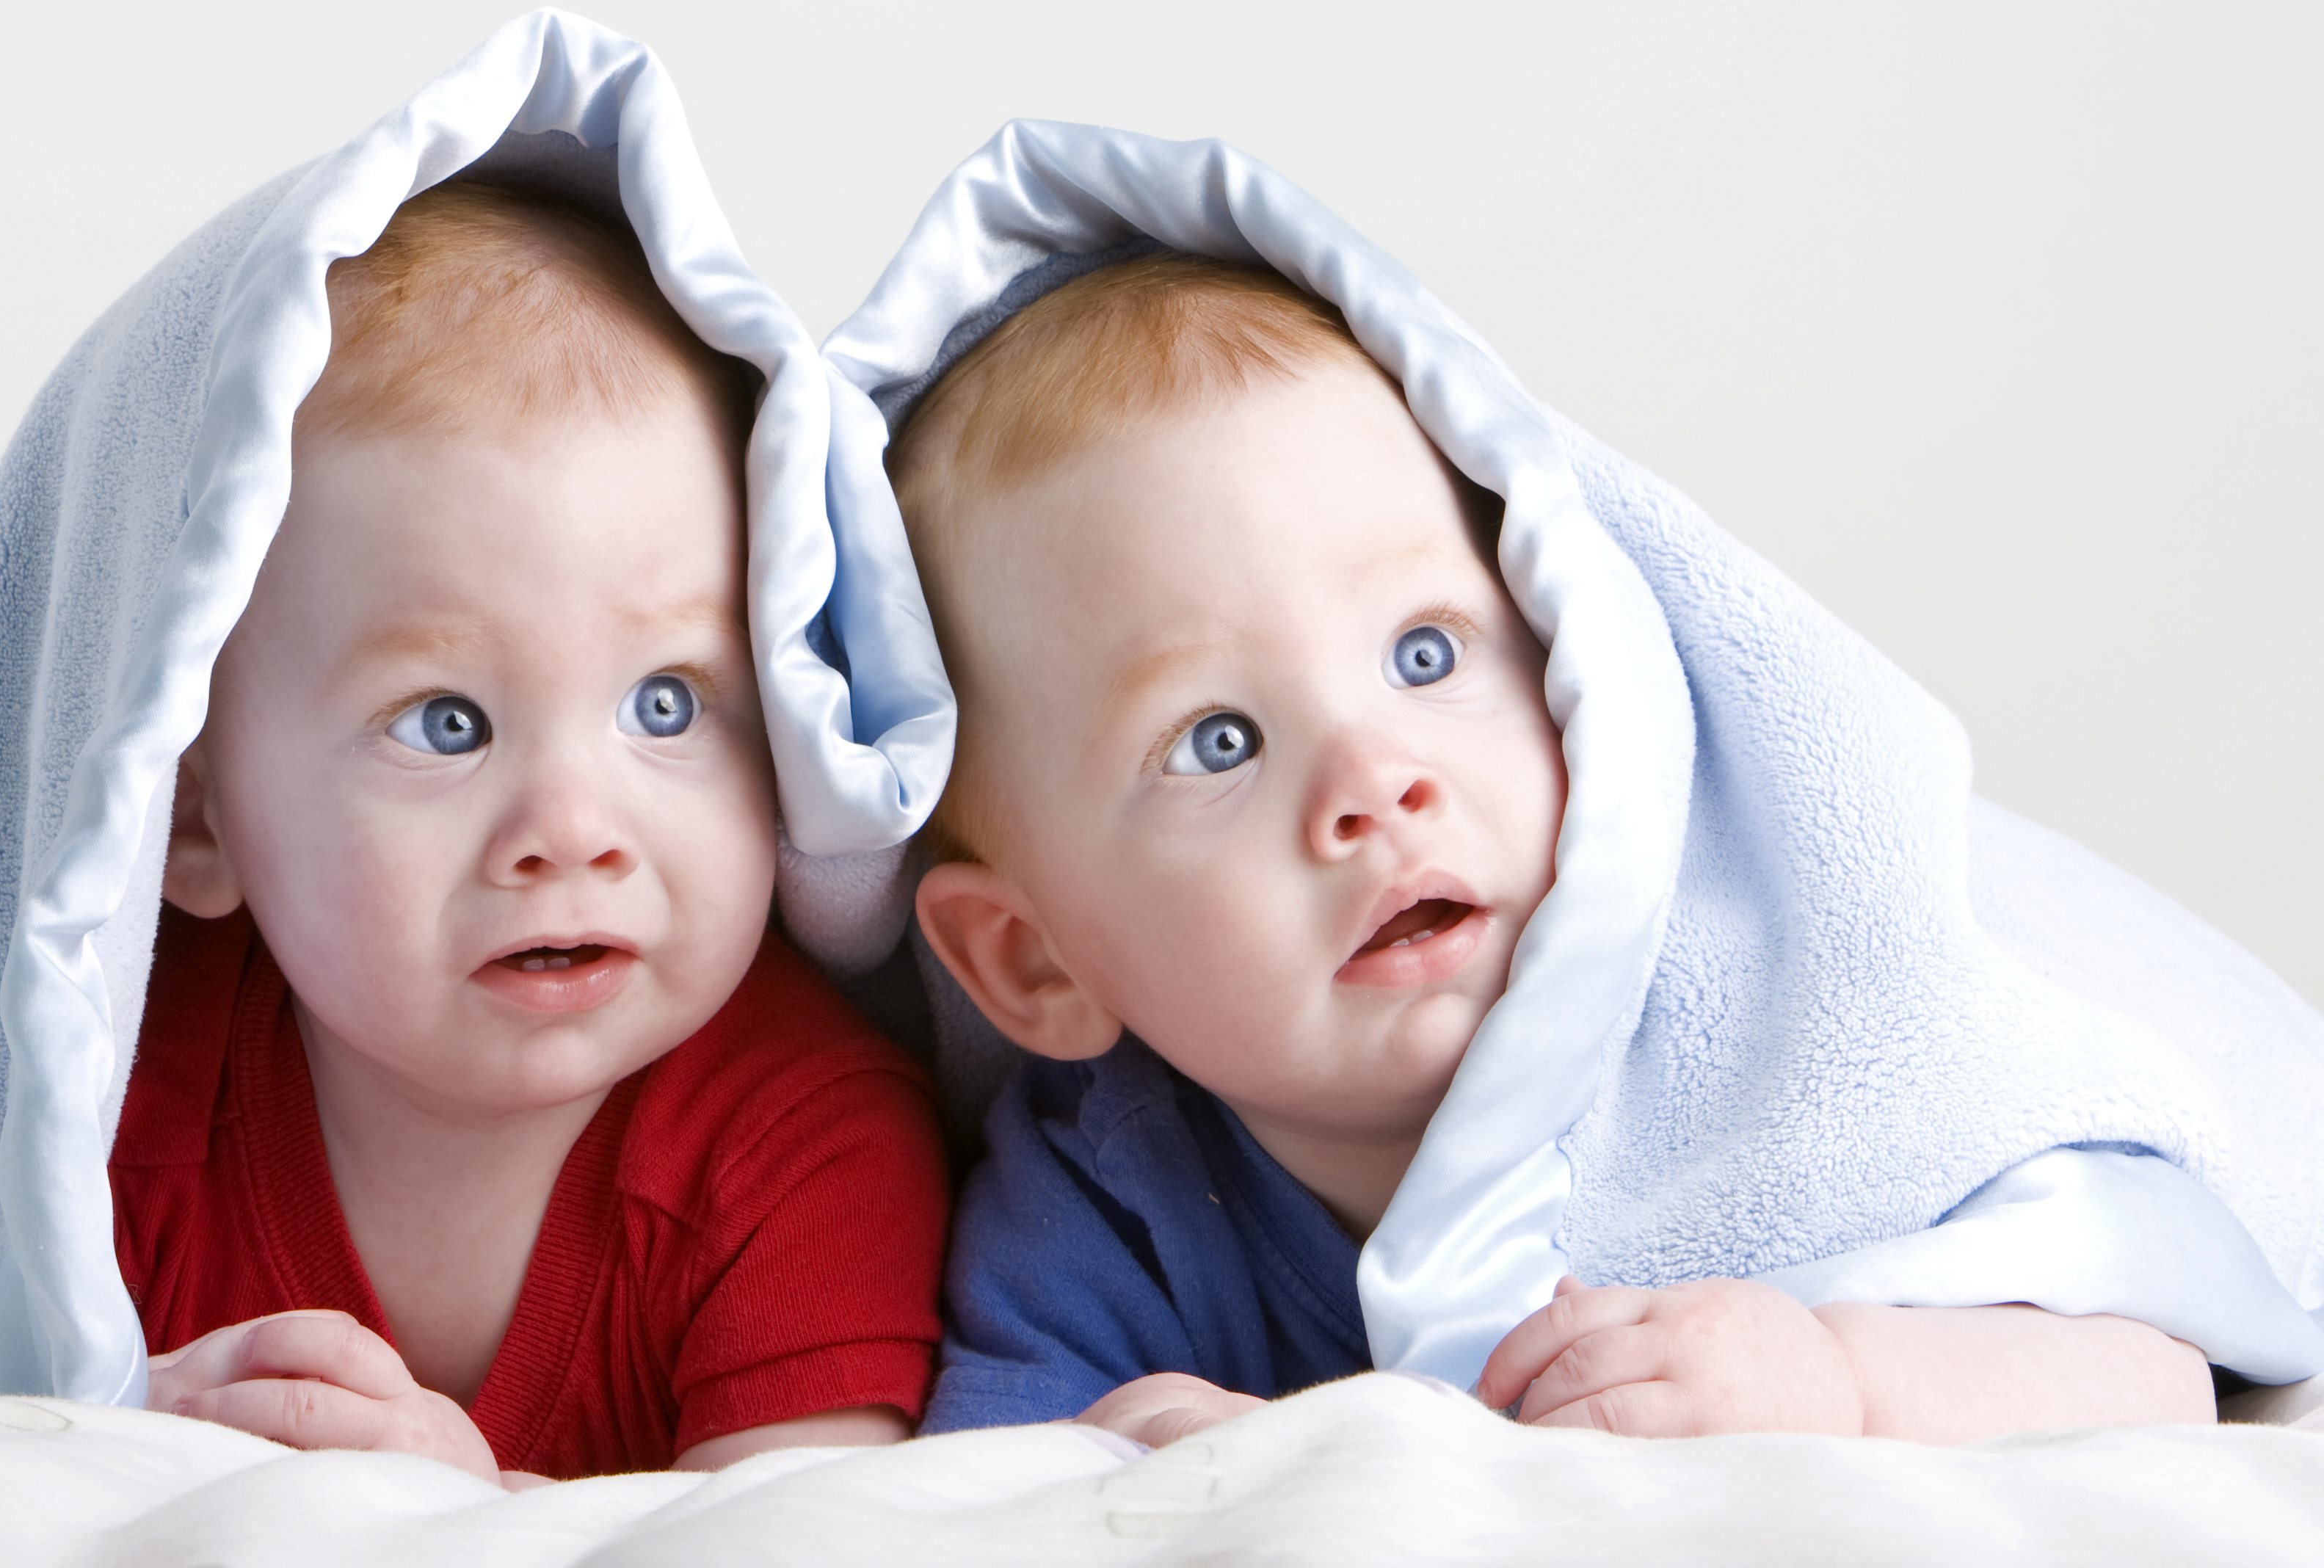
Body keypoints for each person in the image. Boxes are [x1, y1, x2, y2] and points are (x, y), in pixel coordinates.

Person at [889, 251, 2225, 1446]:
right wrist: (1137, 1449)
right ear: (1033, 961)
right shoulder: (1107, 1200)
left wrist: (1842, 1378)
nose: (1376, 783)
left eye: (1425, 655)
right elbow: (975, 1490)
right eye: (1218, 741)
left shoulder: (1792, 1039)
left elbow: (2160, 1362)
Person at [112, 180, 947, 1484]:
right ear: (192, 814)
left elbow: (793, 1532)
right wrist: (96, 1426)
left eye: (666, 703)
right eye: (444, 723)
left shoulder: (808, 1153)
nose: (570, 833)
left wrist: (467, 1514)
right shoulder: (120, 1100)